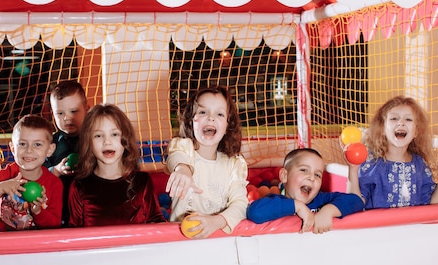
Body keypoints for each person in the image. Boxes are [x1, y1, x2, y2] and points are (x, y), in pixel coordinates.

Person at [165, 85, 248, 238]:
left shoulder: (233, 165)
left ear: (228, 125)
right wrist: (182, 170)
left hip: (217, 239)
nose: (211, 117)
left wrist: (216, 222)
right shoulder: (184, 149)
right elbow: (176, 158)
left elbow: (241, 205)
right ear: (191, 121)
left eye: (220, 114)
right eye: (203, 112)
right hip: (179, 240)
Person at [347, 95, 438, 209]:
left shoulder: (420, 164)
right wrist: (353, 170)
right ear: (382, 128)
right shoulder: (371, 163)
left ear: (416, 131)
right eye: (394, 118)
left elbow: (432, 205)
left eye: (408, 119)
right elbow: (354, 204)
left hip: (412, 226)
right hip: (379, 227)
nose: (401, 123)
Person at [67, 103, 165, 227]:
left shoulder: (141, 182)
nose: (107, 141)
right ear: (88, 142)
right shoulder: (79, 186)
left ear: (126, 139)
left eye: (114, 134)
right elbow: (73, 232)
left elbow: (156, 222)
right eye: (98, 135)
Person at [0, 115, 63, 231]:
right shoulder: (3, 176)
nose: (29, 150)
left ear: (49, 150)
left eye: (37, 144)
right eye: (22, 144)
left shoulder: (54, 184)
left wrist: (38, 211)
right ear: (13, 149)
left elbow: (55, 226)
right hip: (8, 243)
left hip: (39, 245)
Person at [247, 148, 365, 233]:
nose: (312, 177)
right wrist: (297, 206)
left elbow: (357, 201)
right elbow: (254, 212)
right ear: (284, 176)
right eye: (304, 170)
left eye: (318, 175)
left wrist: (329, 211)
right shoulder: (276, 201)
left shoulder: (322, 201)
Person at [44, 80, 89, 226]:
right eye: (60, 113)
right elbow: (38, 175)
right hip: (59, 210)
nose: (67, 117)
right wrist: (56, 170)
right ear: (52, 114)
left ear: (86, 110)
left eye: (74, 111)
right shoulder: (49, 143)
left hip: (87, 209)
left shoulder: (95, 139)